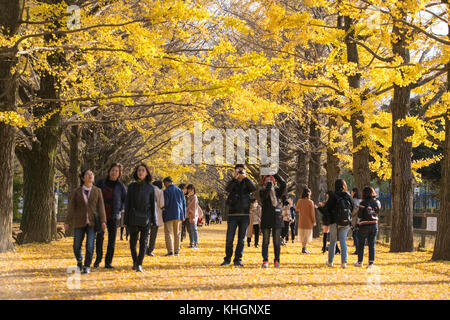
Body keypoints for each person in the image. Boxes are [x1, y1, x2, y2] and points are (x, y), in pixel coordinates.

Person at [65, 169, 106, 274]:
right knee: (76, 245)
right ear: (83, 178)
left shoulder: (97, 191)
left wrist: (103, 221)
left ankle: (87, 265)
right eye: (88, 174)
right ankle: (79, 261)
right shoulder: (76, 191)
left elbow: (101, 207)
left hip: (92, 223)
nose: (90, 176)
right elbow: (71, 207)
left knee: (90, 245)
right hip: (79, 221)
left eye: (92, 174)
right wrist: (68, 221)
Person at [221, 164, 257, 267]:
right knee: (229, 239)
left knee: (241, 239)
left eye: (242, 171)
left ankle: (238, 260)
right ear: (235, 171)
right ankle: (227, 259)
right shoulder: (233, 182)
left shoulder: (247, 182)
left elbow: (254, 188)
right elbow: (227, 189)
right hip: (233, 214)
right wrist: (235, 179)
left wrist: (246, 178)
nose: (240, 173)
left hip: (244, 214)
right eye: (238, 171)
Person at [93, 163, 127, 269]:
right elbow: (94, 195)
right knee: (99, 237)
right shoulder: (101, 183)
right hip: (101, 214)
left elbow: (125, 200)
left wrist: (121, 208)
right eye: (112, 170)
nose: (114, 172)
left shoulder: (121, 186)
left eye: (116, 171)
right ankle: (98, 259)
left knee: (112, 239)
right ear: (109, 171)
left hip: (114, 214)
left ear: (119, 173)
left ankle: (108, 262)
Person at [124, 163, 156, 272]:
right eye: (139, 170)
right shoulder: (132, 186)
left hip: (145, 219)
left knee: (144, 242)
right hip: (133, 218)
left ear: (147, 173)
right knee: (133, 242)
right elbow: (127, 203)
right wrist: (125, 220)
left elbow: (153, 205)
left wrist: (153, 220)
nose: (140, 172)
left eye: (143, 170)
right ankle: (135, 261)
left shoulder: (151, 188)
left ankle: (139, 264)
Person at [322, 179, 354, 268]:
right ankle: (344, 262)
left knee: (333, 241)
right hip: (345, 222)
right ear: (344, 185)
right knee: (343, 241)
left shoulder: (333, 195)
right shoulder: (348, 195)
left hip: (334, 222)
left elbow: (327, 208)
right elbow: (352, 207)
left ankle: (330, 261)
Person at [260, 173, 286, 268]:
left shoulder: (277, 191)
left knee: (276, 241)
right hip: (266, 218)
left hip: (277, 218)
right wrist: (268, 187)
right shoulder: (262, 191)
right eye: (266, 180)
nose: (268, 182)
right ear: (263, 182)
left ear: (274, 181)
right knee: (266, 241)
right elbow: (264, 197)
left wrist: (276, 174)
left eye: (270, 180)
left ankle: (276, 260)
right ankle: (265, 260)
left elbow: (284, 184)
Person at [354, 186, 381, 268]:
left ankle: (360, 262)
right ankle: (371, 263)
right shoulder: (377, 202)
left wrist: (357, 224)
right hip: (374, 224)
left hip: (364, 225)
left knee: (361, 244)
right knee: (371, 244)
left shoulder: (362, 203)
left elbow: (359, 215)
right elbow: (378, 212)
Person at [163, 177, 186, 256]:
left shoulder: (166, 191)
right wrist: (184, 215)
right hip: (179, 214)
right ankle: (177, 251)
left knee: (168, 232)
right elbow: (184, 204)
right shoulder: (180, 191)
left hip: (169, 214)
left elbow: (166, 203)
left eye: (164, 184)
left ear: (166, 183)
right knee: (177, 233)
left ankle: (170, 251)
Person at [146, 180, 165, 256]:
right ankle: (150, 250)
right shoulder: (160, 192)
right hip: (156, 215)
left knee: (146, 233)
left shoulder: (147, 189)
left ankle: (144, 248)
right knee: (153, 234)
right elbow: (161, 204)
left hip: (146, 214)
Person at [295, 188, 316, 253]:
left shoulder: (299, 201)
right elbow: (312, 213)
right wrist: (314, 221)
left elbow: (297, 209)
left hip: (301, 221)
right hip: (308, 221)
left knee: (302, 234)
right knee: (306, 235)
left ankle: (303, 247)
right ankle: (304, 248)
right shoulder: (310, 202)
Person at [186, 184, 200, 249]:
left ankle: (196, 243)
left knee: (194, 229)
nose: (189, 190)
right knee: (190, 230)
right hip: (189, 215)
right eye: (189, 189)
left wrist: (193, 216)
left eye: (191, 189)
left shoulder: (194, 197)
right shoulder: (189, 197)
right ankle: (191, 243)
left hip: (193, 215)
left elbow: (194, 207)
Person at [351, 187, 362, 255]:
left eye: (351, 192)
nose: (351, 193)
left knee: (355, 235)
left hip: (355, 220)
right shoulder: (360, 200)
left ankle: (358, 250)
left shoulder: (354, 201)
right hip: (360, 220)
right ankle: (358, 249)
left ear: (354, 192)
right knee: (357, 235)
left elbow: (354, 210)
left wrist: (350, 214)